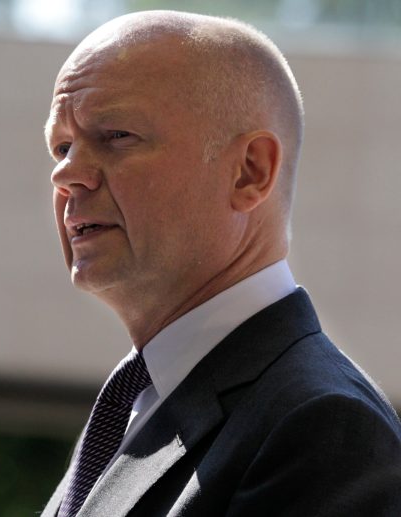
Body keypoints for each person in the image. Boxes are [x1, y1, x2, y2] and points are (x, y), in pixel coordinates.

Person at [40, 10, 401, 517]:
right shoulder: (138, 400)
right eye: (61, 145)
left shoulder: (323, 426)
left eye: (116, 136)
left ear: (250, 172)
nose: (67, 174)